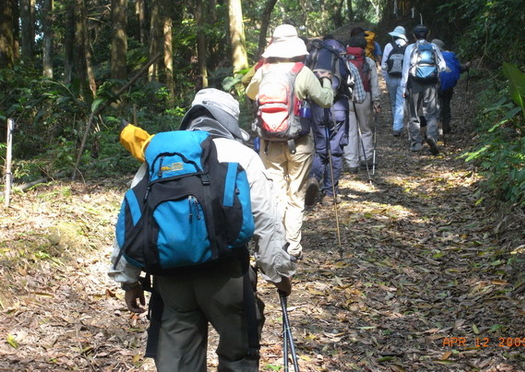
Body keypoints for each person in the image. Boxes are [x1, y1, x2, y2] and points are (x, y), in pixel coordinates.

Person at [109, 88, 296, 371]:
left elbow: (133, 218)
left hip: (170, 279)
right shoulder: (240, 154)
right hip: (226, 275)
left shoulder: (160, 154)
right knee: (238, 357)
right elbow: (265, 222)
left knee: (179, 363)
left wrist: (129, 280)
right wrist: (278, 274)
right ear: (230, 121)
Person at [246, 24, 334, 260]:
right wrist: (326, 80)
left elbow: (250, 94)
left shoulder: (263, 70)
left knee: (275, 193)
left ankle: (272, 244)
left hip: (268, 142)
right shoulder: (302, 71)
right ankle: (292, 247)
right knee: (295, 195)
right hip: (300, 143)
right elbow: (325, 101)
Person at [304, 35, 366, 206]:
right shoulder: (344, 61)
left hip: (317, 108)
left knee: (320, 149)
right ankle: (330, 194)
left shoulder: (313, 59)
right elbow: (359, 96)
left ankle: (314, 178)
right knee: (336, 152)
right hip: (339, 108)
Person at [401, 24, 447, 154]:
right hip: (431, 83)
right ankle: (432, 136)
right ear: (428, 35)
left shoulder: (410, 48)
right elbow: (442, 65)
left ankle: (416, 143)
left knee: (414, 113)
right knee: (431, 113)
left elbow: (405, 69)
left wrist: (403, 87)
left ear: (414, 36)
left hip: (414, 83)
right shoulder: (433, 47)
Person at [344, 34, 382, 173]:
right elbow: (374, 85)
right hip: (364, 97)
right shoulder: (369, 62)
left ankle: (351, 163)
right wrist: (376, 102)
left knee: (350, 131)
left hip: (346, 99)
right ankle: (366, 158)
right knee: (365, 129)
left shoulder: (344, 60)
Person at [431, 39, 470, 135]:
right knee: (445, 104)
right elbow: (459, 68)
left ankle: (434, 127)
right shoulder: (450, 55)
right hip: (447, 86)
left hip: (432, 85)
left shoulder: (428, 56)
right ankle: (445, 127)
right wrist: (466, 66)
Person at [380, 26, 409, 136]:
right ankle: (397, 127)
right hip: (403, 79)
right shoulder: (408, 47)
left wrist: (386, 78)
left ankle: (395, 124)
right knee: (400, 103)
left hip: (391, 78)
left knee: (393, 102)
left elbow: (384, 65)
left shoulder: (389, 46)